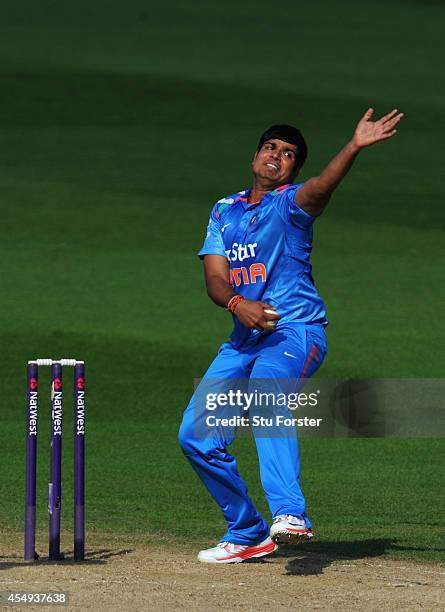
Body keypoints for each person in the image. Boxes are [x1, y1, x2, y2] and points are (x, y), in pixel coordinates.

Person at [178, 108, 404, 564]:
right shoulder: (225, 210)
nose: (276, 156)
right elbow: (215, 279)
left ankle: (290, 515)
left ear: (292, 171)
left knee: (266, 391)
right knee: (196, 436)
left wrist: (354, 146)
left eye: (287, 154)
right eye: (270, 148)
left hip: (295, 332)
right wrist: (237, 305)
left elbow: (322, 188)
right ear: (255, 155)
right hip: (243, 339)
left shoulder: (291, 205)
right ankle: (247, 531)